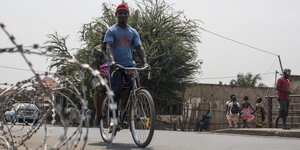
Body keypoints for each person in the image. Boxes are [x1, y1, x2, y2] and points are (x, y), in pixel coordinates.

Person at [104, 2, 149, 128]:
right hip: (116, 66)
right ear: (116, 15)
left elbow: (139, 48)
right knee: (116, 91)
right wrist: (112, 61)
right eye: (120, 13)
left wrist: (145, 62)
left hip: (129, 65)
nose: (122, 15)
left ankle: (131, 113)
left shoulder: (132, 32)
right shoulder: (111, 31)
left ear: (128, 15)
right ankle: (113, 120)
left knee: (137, 88)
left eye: (125, 13)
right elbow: (109, 47)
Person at [89, 32, 108, 126]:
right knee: (99, 87)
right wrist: (102, 74)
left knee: (127, 86)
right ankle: (99, 112)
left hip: (113, 75)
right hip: (99, 76)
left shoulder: (116, 49)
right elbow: (93, 67)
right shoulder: (97, 50)